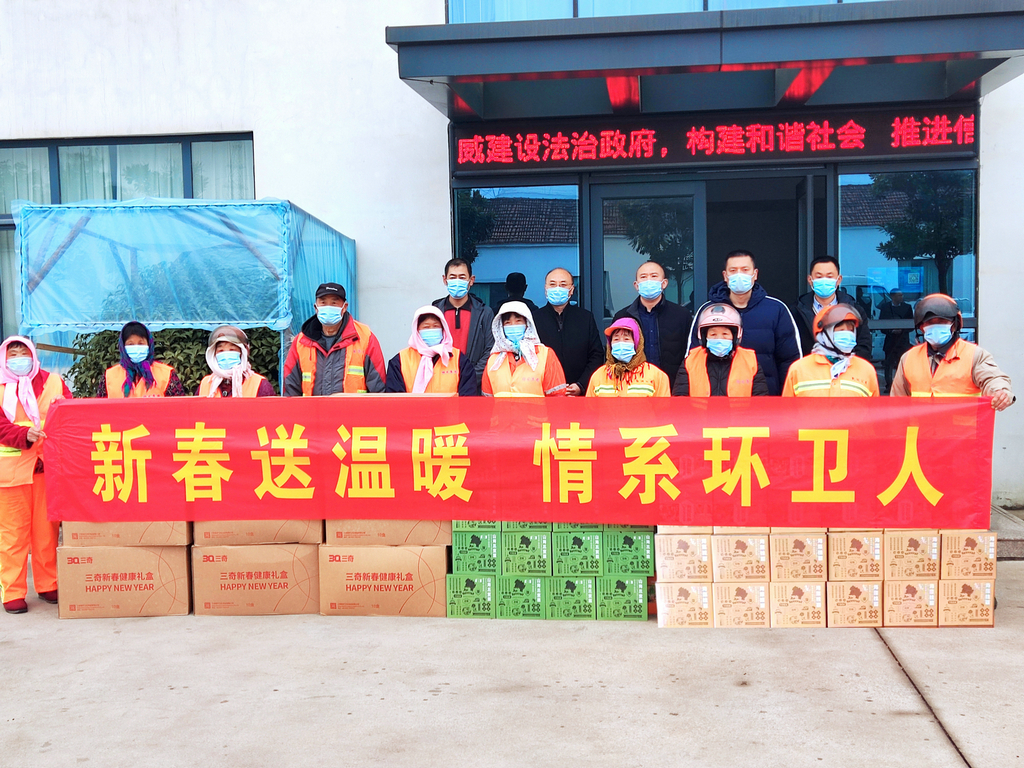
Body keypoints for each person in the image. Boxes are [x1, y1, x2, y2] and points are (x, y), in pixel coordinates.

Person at [0, 336, 72, 614]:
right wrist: (23, 435)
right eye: (13, 354)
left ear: (33, 355)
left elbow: (70, 416)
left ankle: (47, 583)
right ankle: (13, 591)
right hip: (11, 474)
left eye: (23, 352)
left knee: (47, 532)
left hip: (47, 469)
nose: (19, 358)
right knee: (12, 535)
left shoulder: (53, 382)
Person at [690, 250, 802, 396]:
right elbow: (692, 359)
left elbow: (790, 360)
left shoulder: (777, 309)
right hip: (715, 398)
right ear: (725, 276)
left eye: (745, 270)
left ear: (755, 274)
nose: (739, 275)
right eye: (733, 270)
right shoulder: (708, 311)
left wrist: (786, 399)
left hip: (765, 398)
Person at [890, 293, 1014, 410]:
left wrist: (1000, 392)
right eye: (930, 322)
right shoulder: (909, 358)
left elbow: (992, 378)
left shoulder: (974, 355)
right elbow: (897, 404)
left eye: (942, 321)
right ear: (921, 327)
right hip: (920, 427)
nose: (935, 326)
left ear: (954, 325)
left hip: (962, 427)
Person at [283, 282, 386, 396]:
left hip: (353, 408)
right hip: (312, 408)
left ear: (344, 307)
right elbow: (291, 389)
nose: (328, 307)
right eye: (323, 303)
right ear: (316, 307)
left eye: (334, 303)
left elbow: (378, 389)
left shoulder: (365, 338)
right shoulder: (301, 342)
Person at [613, 261, 693, 391]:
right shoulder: (623, 317)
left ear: (664, 283)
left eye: (654, 276)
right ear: (636, 285)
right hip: (634, 388)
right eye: (643, 277)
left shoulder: (681, 315)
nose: (648, 280)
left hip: (672, 387)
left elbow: (690, 354)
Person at [533, 268, 604, 397]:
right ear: (546, 289)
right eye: (552, 284)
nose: (557, 288)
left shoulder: (585, 318)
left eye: (563, 284)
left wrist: (581, 385)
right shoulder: (534, 319)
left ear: (571, 290)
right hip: (544, 394)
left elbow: (596, 355)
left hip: (580, 394)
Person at [782, 305, 879, 397]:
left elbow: (874, 408)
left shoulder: (866, 370)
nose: (847, 335)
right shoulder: (798, 369)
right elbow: (787, 407)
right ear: (823, 334)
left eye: (850, 330)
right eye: (840, 330)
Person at [675, 303, 769, 396]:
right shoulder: (691, 361)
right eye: (713, 334)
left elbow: (760, 399)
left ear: (735, 336)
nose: (719, 339)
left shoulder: (750, 361)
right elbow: (680, 398)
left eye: (725, 334)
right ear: (704, 337)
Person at [792, 256, 871, 360]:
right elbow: (790, 348)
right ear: (810, 280)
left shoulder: (854, 311)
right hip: (809, 369)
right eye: (819, 277)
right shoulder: (796, 312)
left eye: (829, 277)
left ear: (839, 280)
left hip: (847, 368)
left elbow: (864, 346)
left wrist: (846, 364)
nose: (824, 280)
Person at [432, 259, 494, 390]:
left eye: (462, 277)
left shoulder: (484, 313)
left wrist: (470, 378)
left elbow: (490, 350)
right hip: (440, 383)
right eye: (452, 277)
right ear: (445, 280)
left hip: (474, 385)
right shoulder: (434, 312)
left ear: (471, 280)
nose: (457, 281)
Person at [385, 306, 477, 395]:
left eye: (436, 326)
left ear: (443, 329)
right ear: (417, 330)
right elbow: (395, 398)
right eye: (426, 327)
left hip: (451, 407)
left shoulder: (459, 359)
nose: (431, 330)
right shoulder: (400, 361)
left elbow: (468, 396)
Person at [482, 301, 566, 397]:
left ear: (527, 324)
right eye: (507, 323)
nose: (513, 326)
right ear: (501, 327)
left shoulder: (545, 355)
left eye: (518, 321)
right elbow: (487, 399)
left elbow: (557, 397)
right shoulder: (493, 360)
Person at [98, 321, 188, 398]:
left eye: (141, 343)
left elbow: (180, 407)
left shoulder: (166, 374)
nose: (136, 348)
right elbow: (99, 409)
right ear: (122, 347)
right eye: (130, 344)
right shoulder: (109, 376)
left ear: (149, 345)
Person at [586, 318, 669, 397]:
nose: (621, 343)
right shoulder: (598, 375)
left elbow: (664, 406)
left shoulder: (657, 376)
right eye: (616, 339)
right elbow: (590, 406)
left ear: (637, 343)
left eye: (626, 339)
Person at [198, 325, 275, 398]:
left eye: (232, 350)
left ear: (242, 353)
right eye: (221, 351)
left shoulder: (260, 384)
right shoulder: (205, 383)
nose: (226, 354)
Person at [878, 289, 914, 390]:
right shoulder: (885, 307)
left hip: (903, 341)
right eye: (899, 295)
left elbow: (911, 324)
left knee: (902, 364)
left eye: (902, 295)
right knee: (888, 364)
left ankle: (902, 386)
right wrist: (891, 330)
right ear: (892, 297)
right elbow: (881, 324)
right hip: (890, 341)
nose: (901, 297)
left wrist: (902, 330)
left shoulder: (907, 307)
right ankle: (889, 385)